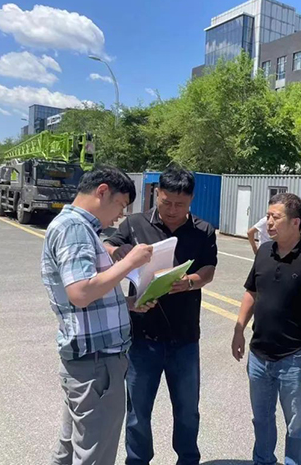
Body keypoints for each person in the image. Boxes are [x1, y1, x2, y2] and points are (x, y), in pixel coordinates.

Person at [104, 167, 218, 465]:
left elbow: (209, 269)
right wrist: (120, 254)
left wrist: (190, 282)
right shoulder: (135, 223)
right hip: (143, 337)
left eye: (181, 204)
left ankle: (188, 460)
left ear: (191, 199)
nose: (172, 210)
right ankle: (138, 460)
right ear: (157, 193)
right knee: (138, 411)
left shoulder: (203, 230)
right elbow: (108, 243)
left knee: (188, 410)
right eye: (167, 202)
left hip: (185, 338)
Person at [42, 166, 156, 465]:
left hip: (88, 361)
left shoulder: (76, 227)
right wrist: (129, 262)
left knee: (71, 448)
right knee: (96, 454)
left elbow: (89, 293)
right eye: (120, 204)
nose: (120, 215)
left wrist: (126, 304)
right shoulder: (75, 229)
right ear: (102, 191)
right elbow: (80, 292)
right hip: (97, 363)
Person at [232, 193, 301, 465]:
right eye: (268, 216)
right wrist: (239, 329)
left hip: (295, 359)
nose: (268, 223)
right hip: (259, 357)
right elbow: (251, 292)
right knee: (261, 419)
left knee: (297, 424)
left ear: (295, 222)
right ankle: (263, 461)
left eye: (275, 217)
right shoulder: (264, 251)